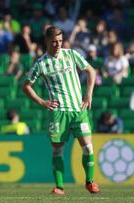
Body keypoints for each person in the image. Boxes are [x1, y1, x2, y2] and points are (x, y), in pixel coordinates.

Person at [22, 26, 99, 195]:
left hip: (79, 110)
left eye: (60, 41)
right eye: (54, 42)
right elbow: (26, 86)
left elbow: (90, 71)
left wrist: (88, 94)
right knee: (57, 150)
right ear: (47, 42)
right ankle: (59, 187)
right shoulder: (41, 63)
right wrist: (42, 101)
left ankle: (90, 182)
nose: (57, 45)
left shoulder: (71, 54)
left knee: (88, 147)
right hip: (58, 112)